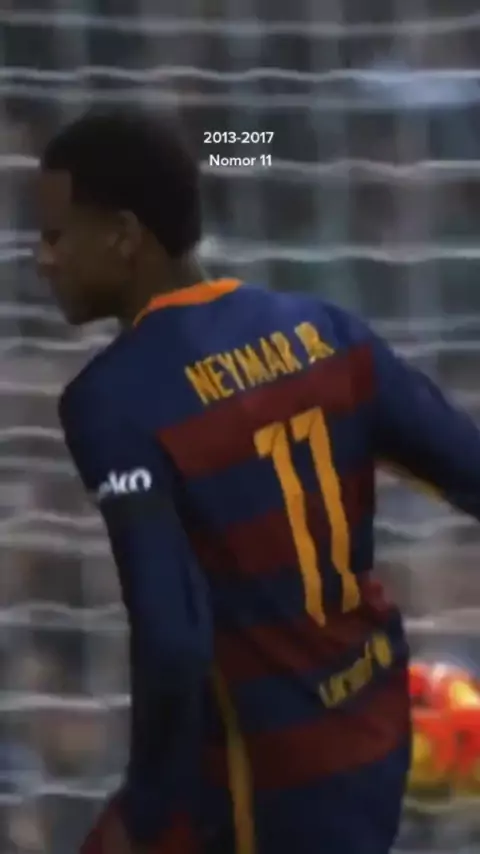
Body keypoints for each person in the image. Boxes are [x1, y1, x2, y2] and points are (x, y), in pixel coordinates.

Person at [37, 109, 480, 854]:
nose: (40, 258)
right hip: (371, 724)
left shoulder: (112, 400)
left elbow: (172, 638)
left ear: (123, 236)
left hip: (265, 777)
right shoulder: (329, 330)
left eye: (55, 235)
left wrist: (147, 806)